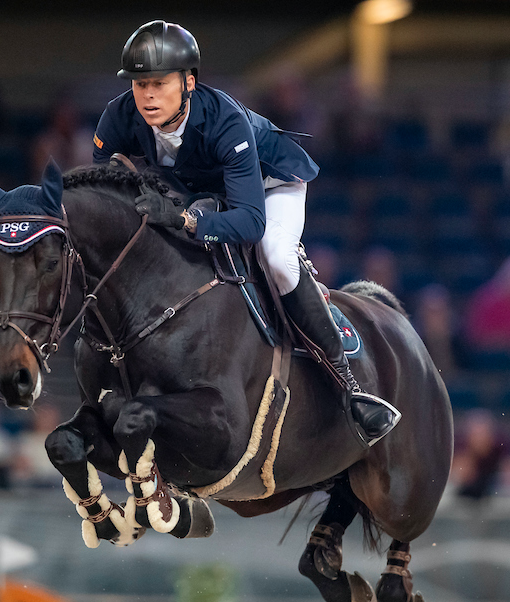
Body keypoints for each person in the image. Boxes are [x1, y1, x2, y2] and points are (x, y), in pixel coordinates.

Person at [91, 21, 397, 445]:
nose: (147, 95)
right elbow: (105, 188)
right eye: (140, 84)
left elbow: (251, 221)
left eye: (159, 84)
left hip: (270, 187)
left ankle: (349, 388)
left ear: (189, 82)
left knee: (277, 259)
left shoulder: (225, 121)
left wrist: (185, 221)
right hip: (202, 189)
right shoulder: (119, 116)